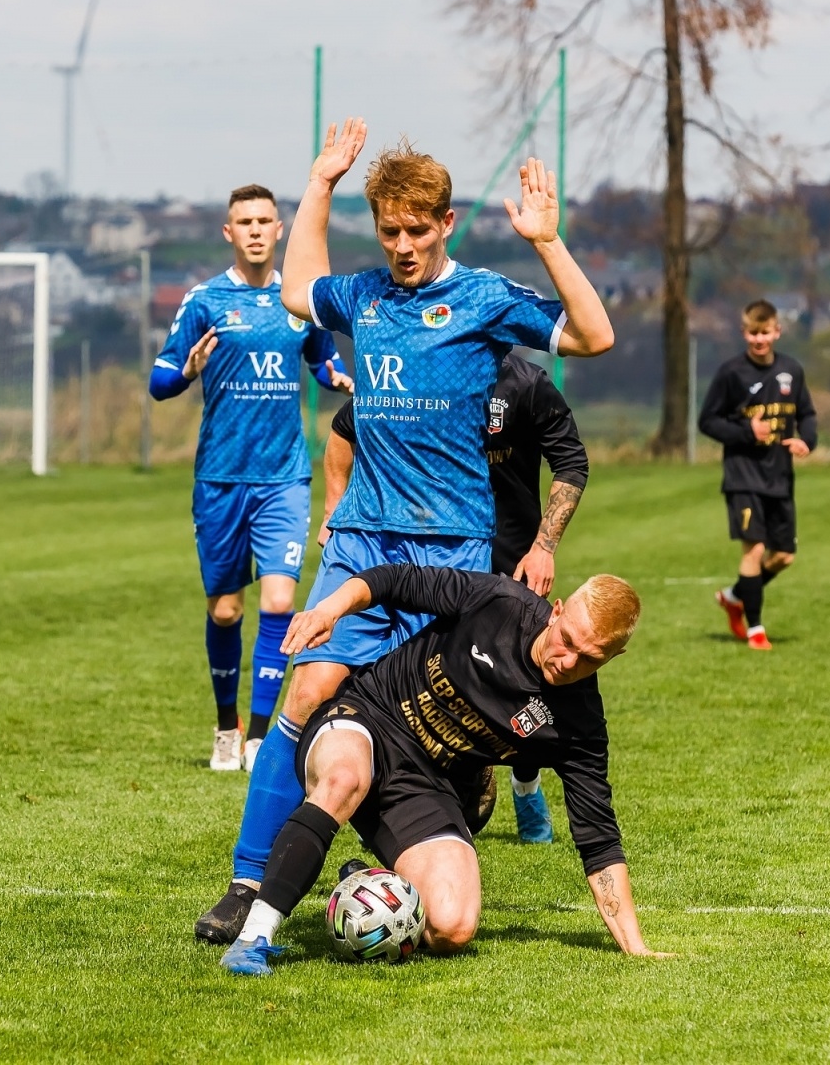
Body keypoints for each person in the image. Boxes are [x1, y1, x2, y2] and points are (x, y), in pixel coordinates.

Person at [194, 120, 615, 943]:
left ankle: (388, 869)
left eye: (417, 231)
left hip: (449, 551)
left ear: (446, 224)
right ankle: (250, 883)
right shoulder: (366, 297)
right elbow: (295, 290)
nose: (403, 247)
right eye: (389, 231)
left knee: (435, 729)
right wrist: (318, 185)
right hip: (362, 542)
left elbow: (595, 336)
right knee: (304, 692)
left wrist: (550, 240)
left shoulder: (485, 300)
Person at [217, 564, 669, 975]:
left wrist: (636, 947)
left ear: (614, 657)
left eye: (589, 658)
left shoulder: (579, 726)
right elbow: (394, 581)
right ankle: (254, 936)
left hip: (424, 785)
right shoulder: (497, 602)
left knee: (453, 926)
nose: (567, 661)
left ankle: (368, 883)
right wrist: (330, 610)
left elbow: (599, 839)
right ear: (556, 612)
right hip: (367, 717)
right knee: (343, 779)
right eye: (567, 639)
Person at [324, 351, 589, 843]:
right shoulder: (426, 370)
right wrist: (333, 511)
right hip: (436, 557)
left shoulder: (526, 384)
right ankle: (398, 807)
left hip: (511, 564)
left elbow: (572, 460)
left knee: (528, 688)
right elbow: (346, 425)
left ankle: (525, 784)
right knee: (414, 681)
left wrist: (543, 546)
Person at [149, 184, 352, 771]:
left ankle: (262, 736)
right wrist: (186, 371)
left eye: (266, 220)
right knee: (225, 613)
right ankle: (225, 728)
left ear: (280, 229)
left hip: (284, 478)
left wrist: (338, 376)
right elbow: (159, 381)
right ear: (229, 233)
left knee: (281, 602)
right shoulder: (205, 301)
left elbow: (321, 356)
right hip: (220, 479)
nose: (257, 229)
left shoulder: (297, 300)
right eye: (246, 221)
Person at [696, 299, 817, 651]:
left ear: (777, 331)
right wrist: (748, 432)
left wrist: (805, 440)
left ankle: (735, 596)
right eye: (752, 333)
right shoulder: (732, 373)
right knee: (755, 548)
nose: (759, 339)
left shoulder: (792, 371)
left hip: (780, 476)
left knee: (783, 556)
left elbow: (807, 414)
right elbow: (708, 421)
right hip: (743, 476)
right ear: (743, 332)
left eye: (765, 333)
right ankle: (756, 630)